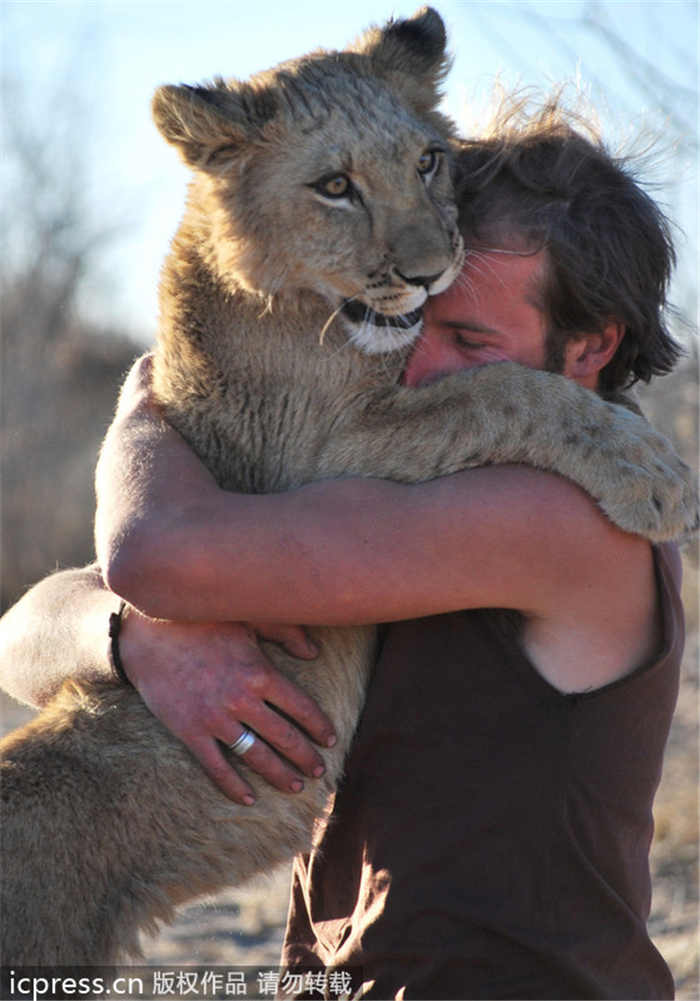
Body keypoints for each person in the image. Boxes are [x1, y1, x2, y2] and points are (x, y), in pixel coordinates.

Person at [0, 100, 687, 999]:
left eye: (470, 341)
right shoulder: (402, 467)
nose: (417, 369)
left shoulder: (558, 514)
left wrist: (149, 398)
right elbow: (21, 635)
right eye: (409, 320)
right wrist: (134, 641)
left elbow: (154, 549)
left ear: (593, 345)